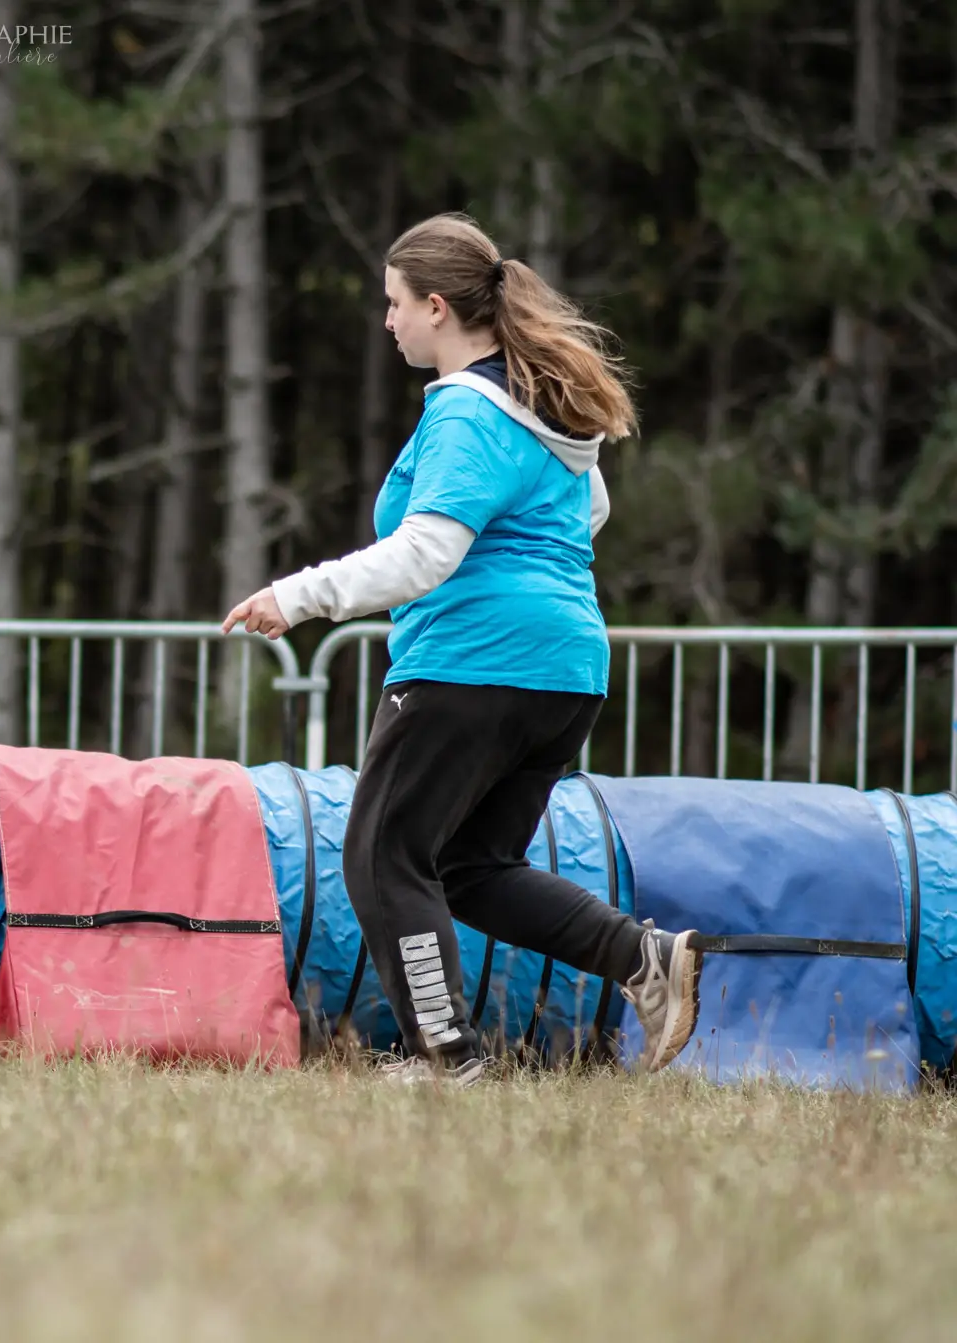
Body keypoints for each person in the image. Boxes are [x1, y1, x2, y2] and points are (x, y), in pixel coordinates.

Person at [221, 212, 703, 1086]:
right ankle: (641, 957)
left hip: (471, 661)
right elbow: (587, 511)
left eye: (395, 303)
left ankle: (446, 1057)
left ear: (437, 307)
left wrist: (297, 597)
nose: (388, 321)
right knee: (471, 866)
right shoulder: (542, 404)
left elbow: (425, 553)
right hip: (566, 670)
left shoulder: (464, 413)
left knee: (380, 855)